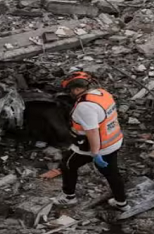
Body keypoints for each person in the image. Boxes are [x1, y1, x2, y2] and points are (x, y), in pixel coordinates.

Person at [50, 72, 128, 211]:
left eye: (71, 90)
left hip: (96, 146)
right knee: (112, 173)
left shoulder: (85, 106)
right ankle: (121, 203)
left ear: (77, 89)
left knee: (67, 164)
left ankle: (69, 197)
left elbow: (92, 132)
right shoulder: (103, 94)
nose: (70, 93)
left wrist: (95, 153)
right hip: (113, 140)